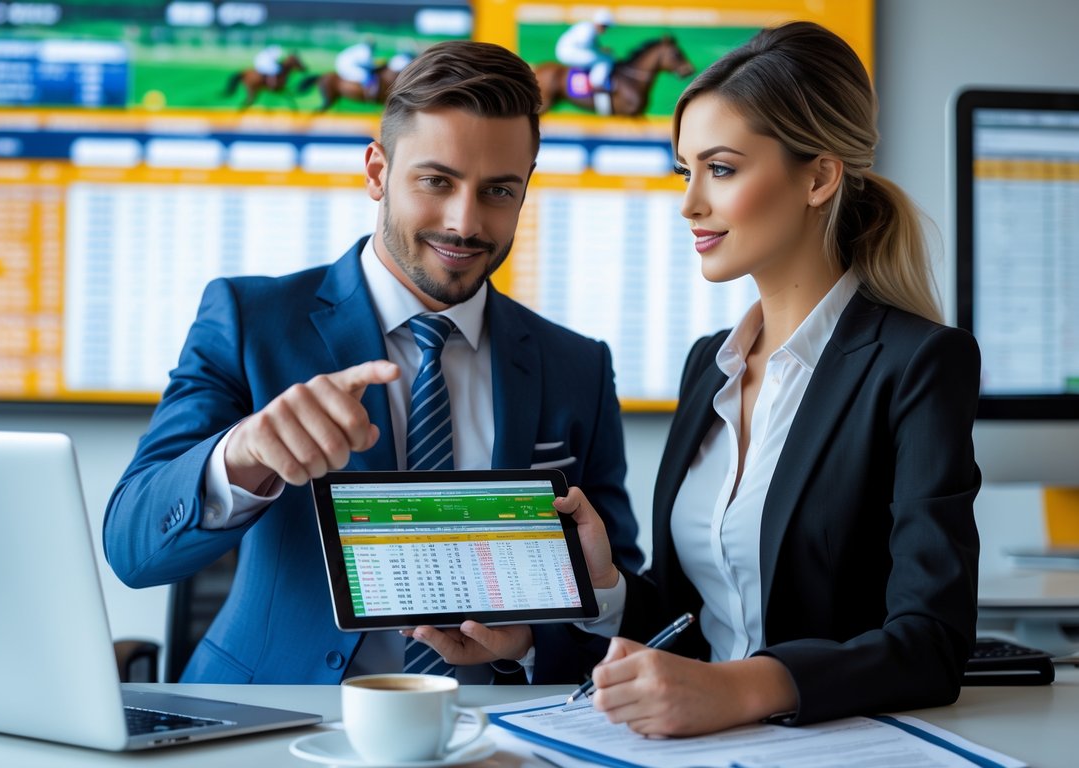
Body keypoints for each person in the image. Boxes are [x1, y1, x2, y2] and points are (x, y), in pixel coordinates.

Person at [104, 40, 643, 685]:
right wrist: (244, 452)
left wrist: (528, 639)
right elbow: (132, 549)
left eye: (498, 190)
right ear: (377, 172)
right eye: (435, 181)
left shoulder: (576, 366)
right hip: (277, 721)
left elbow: (617, 590)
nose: (464, 223)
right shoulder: (251, 320)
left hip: (490, 731)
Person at [556, 21, 982, 735]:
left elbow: (931, 644)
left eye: (719, 170)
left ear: (817, 176)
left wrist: (740, 691)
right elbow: (699, 620)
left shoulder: (915, 364)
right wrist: (607, 587)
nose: (689, 203)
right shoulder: (709, 363)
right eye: (682, 172)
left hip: (836, 747)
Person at [555, 9, 615, 114]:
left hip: (568, 51)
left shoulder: (590, 28)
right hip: (568, 53)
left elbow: (592, 47)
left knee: (603, 57)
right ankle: (596, 83)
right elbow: (586, 46)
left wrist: (600, 50)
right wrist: (601, 51)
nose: (605, 30)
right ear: (601, 23)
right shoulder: (588, 29)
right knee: (605, 60)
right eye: (605, 26)